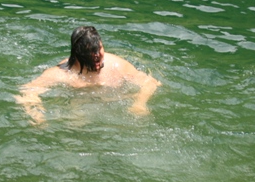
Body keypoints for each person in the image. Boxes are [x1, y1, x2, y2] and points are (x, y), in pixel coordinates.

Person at [15, 26, 161, 125]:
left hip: (113, 112)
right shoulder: (61, 73)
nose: (97, 56)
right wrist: (36, 114)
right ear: (77, 55)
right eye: (90, 53)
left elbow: (150, 82)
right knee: (75, 122)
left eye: (99, 49)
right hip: (79, 112)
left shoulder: (117, 65)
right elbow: (27, 91)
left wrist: (139, 104)